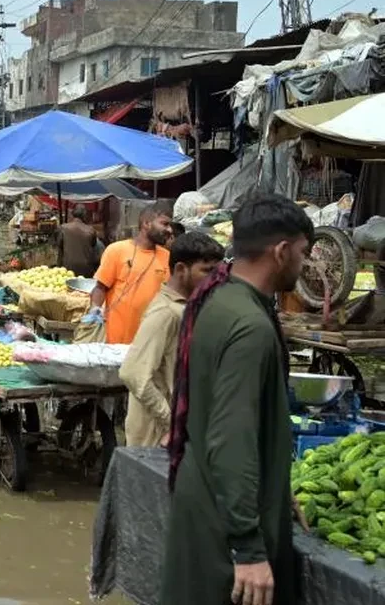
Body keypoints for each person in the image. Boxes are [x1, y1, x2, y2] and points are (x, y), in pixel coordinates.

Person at [161, 194, 313, 605]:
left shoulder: (219, 298)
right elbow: (231, 438)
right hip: (222, 525)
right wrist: (248, 548)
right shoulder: (250, 327)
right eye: (302, 253)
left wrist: (278, 492)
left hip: (208, 497)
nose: (303, 265)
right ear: (281, 252)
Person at [118, 231, 225, 448]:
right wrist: (171, 421)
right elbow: (133, 373)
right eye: (207, 271)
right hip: (155, 438)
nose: (215, 279)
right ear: (180, 270)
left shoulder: (186, 308)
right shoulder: (165, 312)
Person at [85, 203, 173, 344]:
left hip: (150, 343)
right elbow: (100, 287)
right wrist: (95, 308)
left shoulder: (167, 257)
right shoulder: (116, 251)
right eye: (165, 224)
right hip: (117, 342)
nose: (169, 230)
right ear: (146, 223)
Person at [59, 205, 102, 277]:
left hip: (67, 269)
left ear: (72, 214)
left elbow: (59, 247)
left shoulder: (63, 228)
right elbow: (93, 246)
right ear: (84, 215)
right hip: (86, 269)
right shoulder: (91, 230)